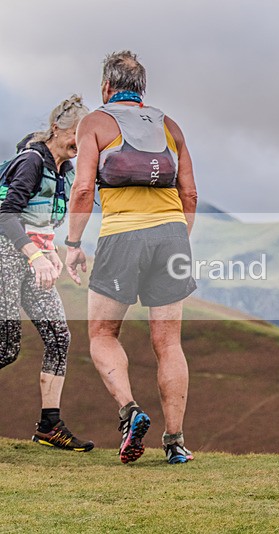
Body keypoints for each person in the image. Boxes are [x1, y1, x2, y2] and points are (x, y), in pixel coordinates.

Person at [65, 51, 198, 464]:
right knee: (168, 342)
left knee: (103, 334)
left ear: (106, 87)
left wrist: (72, 244)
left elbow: (84, 189)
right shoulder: (169, 125)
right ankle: (175, 443)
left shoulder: (96, 123)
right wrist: (178, 237)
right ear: (143, 90)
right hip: (172, 234)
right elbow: (189, 192)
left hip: (122, 235)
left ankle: (129, 410)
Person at [0, 95, 94, 452]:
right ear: (56, 128)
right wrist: (35, 257)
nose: (79, 144)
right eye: (75, 135)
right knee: (5, 348)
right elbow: (6, 215)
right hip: (6, 256)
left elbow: (40, 220)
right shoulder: (30, 161)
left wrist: (52, 254)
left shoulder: (64, 172)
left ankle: (49, 426)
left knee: (59, 337)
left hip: (33, 259)